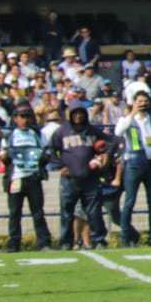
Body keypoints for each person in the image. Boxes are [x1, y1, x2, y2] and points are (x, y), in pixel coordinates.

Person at [47, 102, 111, 250]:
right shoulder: (62, 131)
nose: (78, 116)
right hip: (69, 179)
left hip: (90, 178)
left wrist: (104, 157)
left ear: (85, 114)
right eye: (75, 113)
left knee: (94, 211)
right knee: (67, 212)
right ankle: (66, 242)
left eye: (81, 112)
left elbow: (109, 144)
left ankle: (99, 240)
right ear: (70, 115)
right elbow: (50, 150)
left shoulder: (92, 130)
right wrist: (60, 166)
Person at [113, 91, 151, 247]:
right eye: (139, 101)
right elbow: (118, 132)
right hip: (134, 163)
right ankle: (126, 236)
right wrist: (132, 112)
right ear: (133, 102)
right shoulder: (127, 120)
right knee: (130, 201)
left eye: (145, 101)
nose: (143, 104)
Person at [0, 104, 52, 251]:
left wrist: (42, 158)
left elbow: (47, 153)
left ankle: (44, 243)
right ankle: (14, 244)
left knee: (38, 212)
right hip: (16, 178)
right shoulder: (9, 136)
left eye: (28, 116)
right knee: (15, 213)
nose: (25, 120)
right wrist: (5, 157)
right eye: (22, 116)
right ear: (15, 119)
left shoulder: (38, 134)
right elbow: (4, 157)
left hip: (33, 177)